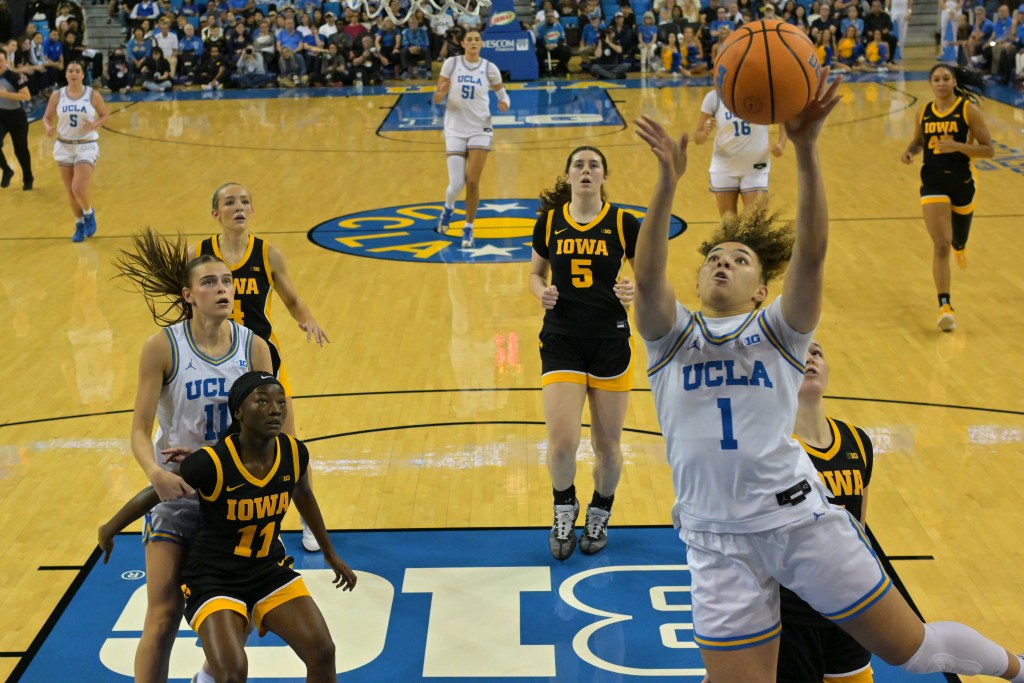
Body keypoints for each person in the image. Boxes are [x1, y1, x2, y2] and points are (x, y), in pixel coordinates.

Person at [631, 70, 1024, 683]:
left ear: (761, 290)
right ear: (699, 280)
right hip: (713, 537)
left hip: (798, 522)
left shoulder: (780, 332)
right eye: (714, 259)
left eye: (739, 259)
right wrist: (666, 182)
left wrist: (808, 150)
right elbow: (649, 275)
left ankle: (1017, 669)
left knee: (913, 651)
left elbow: (811, 255)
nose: (722, 263)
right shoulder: (670, 337)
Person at [98, 371, 357, 683]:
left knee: (323, 651)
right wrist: (109, 529)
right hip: (214, 580)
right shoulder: (213, 462)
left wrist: (329, 553)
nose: (276, 410)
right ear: (239, 412)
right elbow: (153, 494)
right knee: (232, 673)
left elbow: (303, 494)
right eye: (263, 401)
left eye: (280, 402)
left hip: (267, 570)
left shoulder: (293, 452)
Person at [113, 229, 273, 683]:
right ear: (188, 295)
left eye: (227, 281)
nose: (223, 289)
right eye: (210, 282)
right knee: (162, 614)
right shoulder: (162, 347)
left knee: (238, 616)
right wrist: (155, 473)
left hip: (233, 498)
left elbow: (268, 433)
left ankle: (204, 678)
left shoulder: (254, 347)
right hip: (178, 496)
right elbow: (139, 430)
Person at [188, 182, 330, 552]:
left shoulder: (268, 255)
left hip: (262, 361)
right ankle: (246, 522)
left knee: (287, 443)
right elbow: (183, 304)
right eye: (229, 202)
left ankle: (308, 520)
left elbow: (292, 300)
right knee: (222, 445)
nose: (238, 207)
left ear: (252, 211)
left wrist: (308, 320)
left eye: (245, 201)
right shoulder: (197, 255)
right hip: (216, 363)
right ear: (215, 213)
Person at [529, 145, 638, 561]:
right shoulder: (550, 222)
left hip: (611, 341)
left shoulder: (624, 223)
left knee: (607, 445)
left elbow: (647, 278)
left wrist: (633, 288)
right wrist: (542, 292)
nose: (587, 170)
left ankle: (600, 512)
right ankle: (563, 507)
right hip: (562, 339)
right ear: (569, 176)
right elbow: (535, 274)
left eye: (594, 165)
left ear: (604, 177)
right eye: (579, 165)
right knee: (561, 443)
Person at [778, 340, 876, 683]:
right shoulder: (770, 448)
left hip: (849, 609)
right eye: (798, 353)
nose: (810, 359)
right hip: (791, 615)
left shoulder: (857, 441)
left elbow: (860, 532)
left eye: (816, 353)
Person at [900, 64, 992, 332]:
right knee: (941, 244)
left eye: (946, 79)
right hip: (933, 181)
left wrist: (958, 146)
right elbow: (919, 141)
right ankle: (945, 306)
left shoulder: (968, 111)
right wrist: (910, 151)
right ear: (930, 84)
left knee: (957, 240)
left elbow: (989, 150)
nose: (941, 83)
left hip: (962, 183)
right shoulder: (923, 112)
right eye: (936, 79)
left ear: (954, 82)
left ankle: (960, 246)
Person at [432, 28, 510, 249]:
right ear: (463, 43)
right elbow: (437, 98)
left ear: (481, 44)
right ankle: (448, 209)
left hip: (480, 128)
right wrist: (441, 92)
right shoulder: (451, 64)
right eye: (470, 39)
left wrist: (504, 103)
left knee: (473, 180)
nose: (474, 42)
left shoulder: (489, 67)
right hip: (455, 128)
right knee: (456, 184)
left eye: (477, 39)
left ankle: (468, 227)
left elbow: (503, 95)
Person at [42, 60, 109, 242]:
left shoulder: (92, 94)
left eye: (77, 71)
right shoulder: (57, 95)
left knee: (78, 188)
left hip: (86, 145)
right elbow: (46, 117)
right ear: (66, 74)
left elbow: (105, 115)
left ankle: (88, 212)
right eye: (70, 71)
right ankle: (79, 224)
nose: (73, 74)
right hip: (64, 145)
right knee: (70, 191)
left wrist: (95, 124)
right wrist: (48, 127)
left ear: (82, 74)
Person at [693, 88, 787, 217]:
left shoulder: (763, 91)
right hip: (724, 168)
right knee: (729, 225)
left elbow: (783, 118)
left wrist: (781, 143)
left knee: (755, 224)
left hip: (756, 167)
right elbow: (697, 138)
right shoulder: (714, 97)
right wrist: (705, 131)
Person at [0, 50, 33, 191]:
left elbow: (26, 96)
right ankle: (7, 170)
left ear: (6, 61)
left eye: (0, 60)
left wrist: (5, 94)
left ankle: (28, 178)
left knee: (20, 150)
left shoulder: (13, 76)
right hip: (1, 116)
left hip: (16, 117)